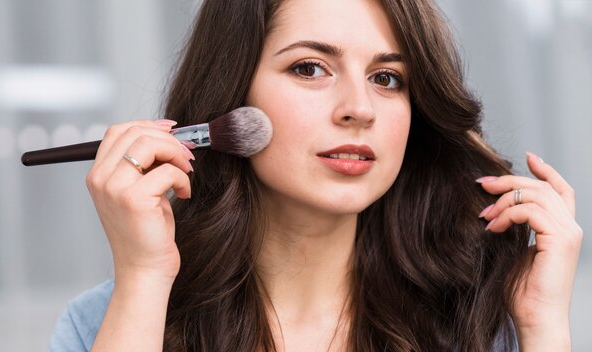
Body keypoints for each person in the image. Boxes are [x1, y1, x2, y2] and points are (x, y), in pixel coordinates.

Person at [49, 0, 583, 351]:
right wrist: (144, 278)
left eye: (387, 78)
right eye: (310, 68)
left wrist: (542, 328)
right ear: (232, 94)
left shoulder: (479, 320)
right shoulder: (105, 322)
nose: (360, 108)